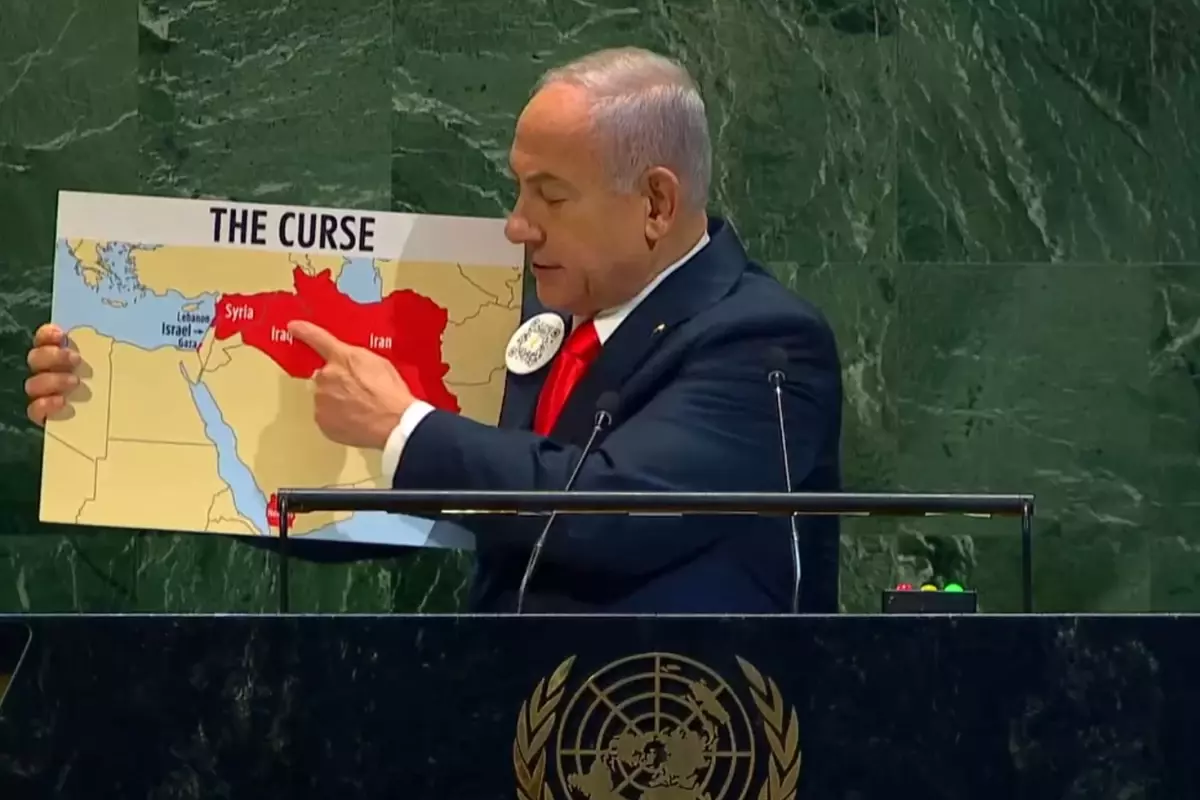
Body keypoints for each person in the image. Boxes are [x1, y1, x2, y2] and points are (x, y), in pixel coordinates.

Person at [25, 47, 843, 614]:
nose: (517, 225)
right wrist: (133, 429)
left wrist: (404, 427)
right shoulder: (533, 323)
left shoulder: (763, 341)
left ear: (656, 203)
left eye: (550, 195)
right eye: (518, 189)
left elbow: (613, 514)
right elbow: (405, 506)